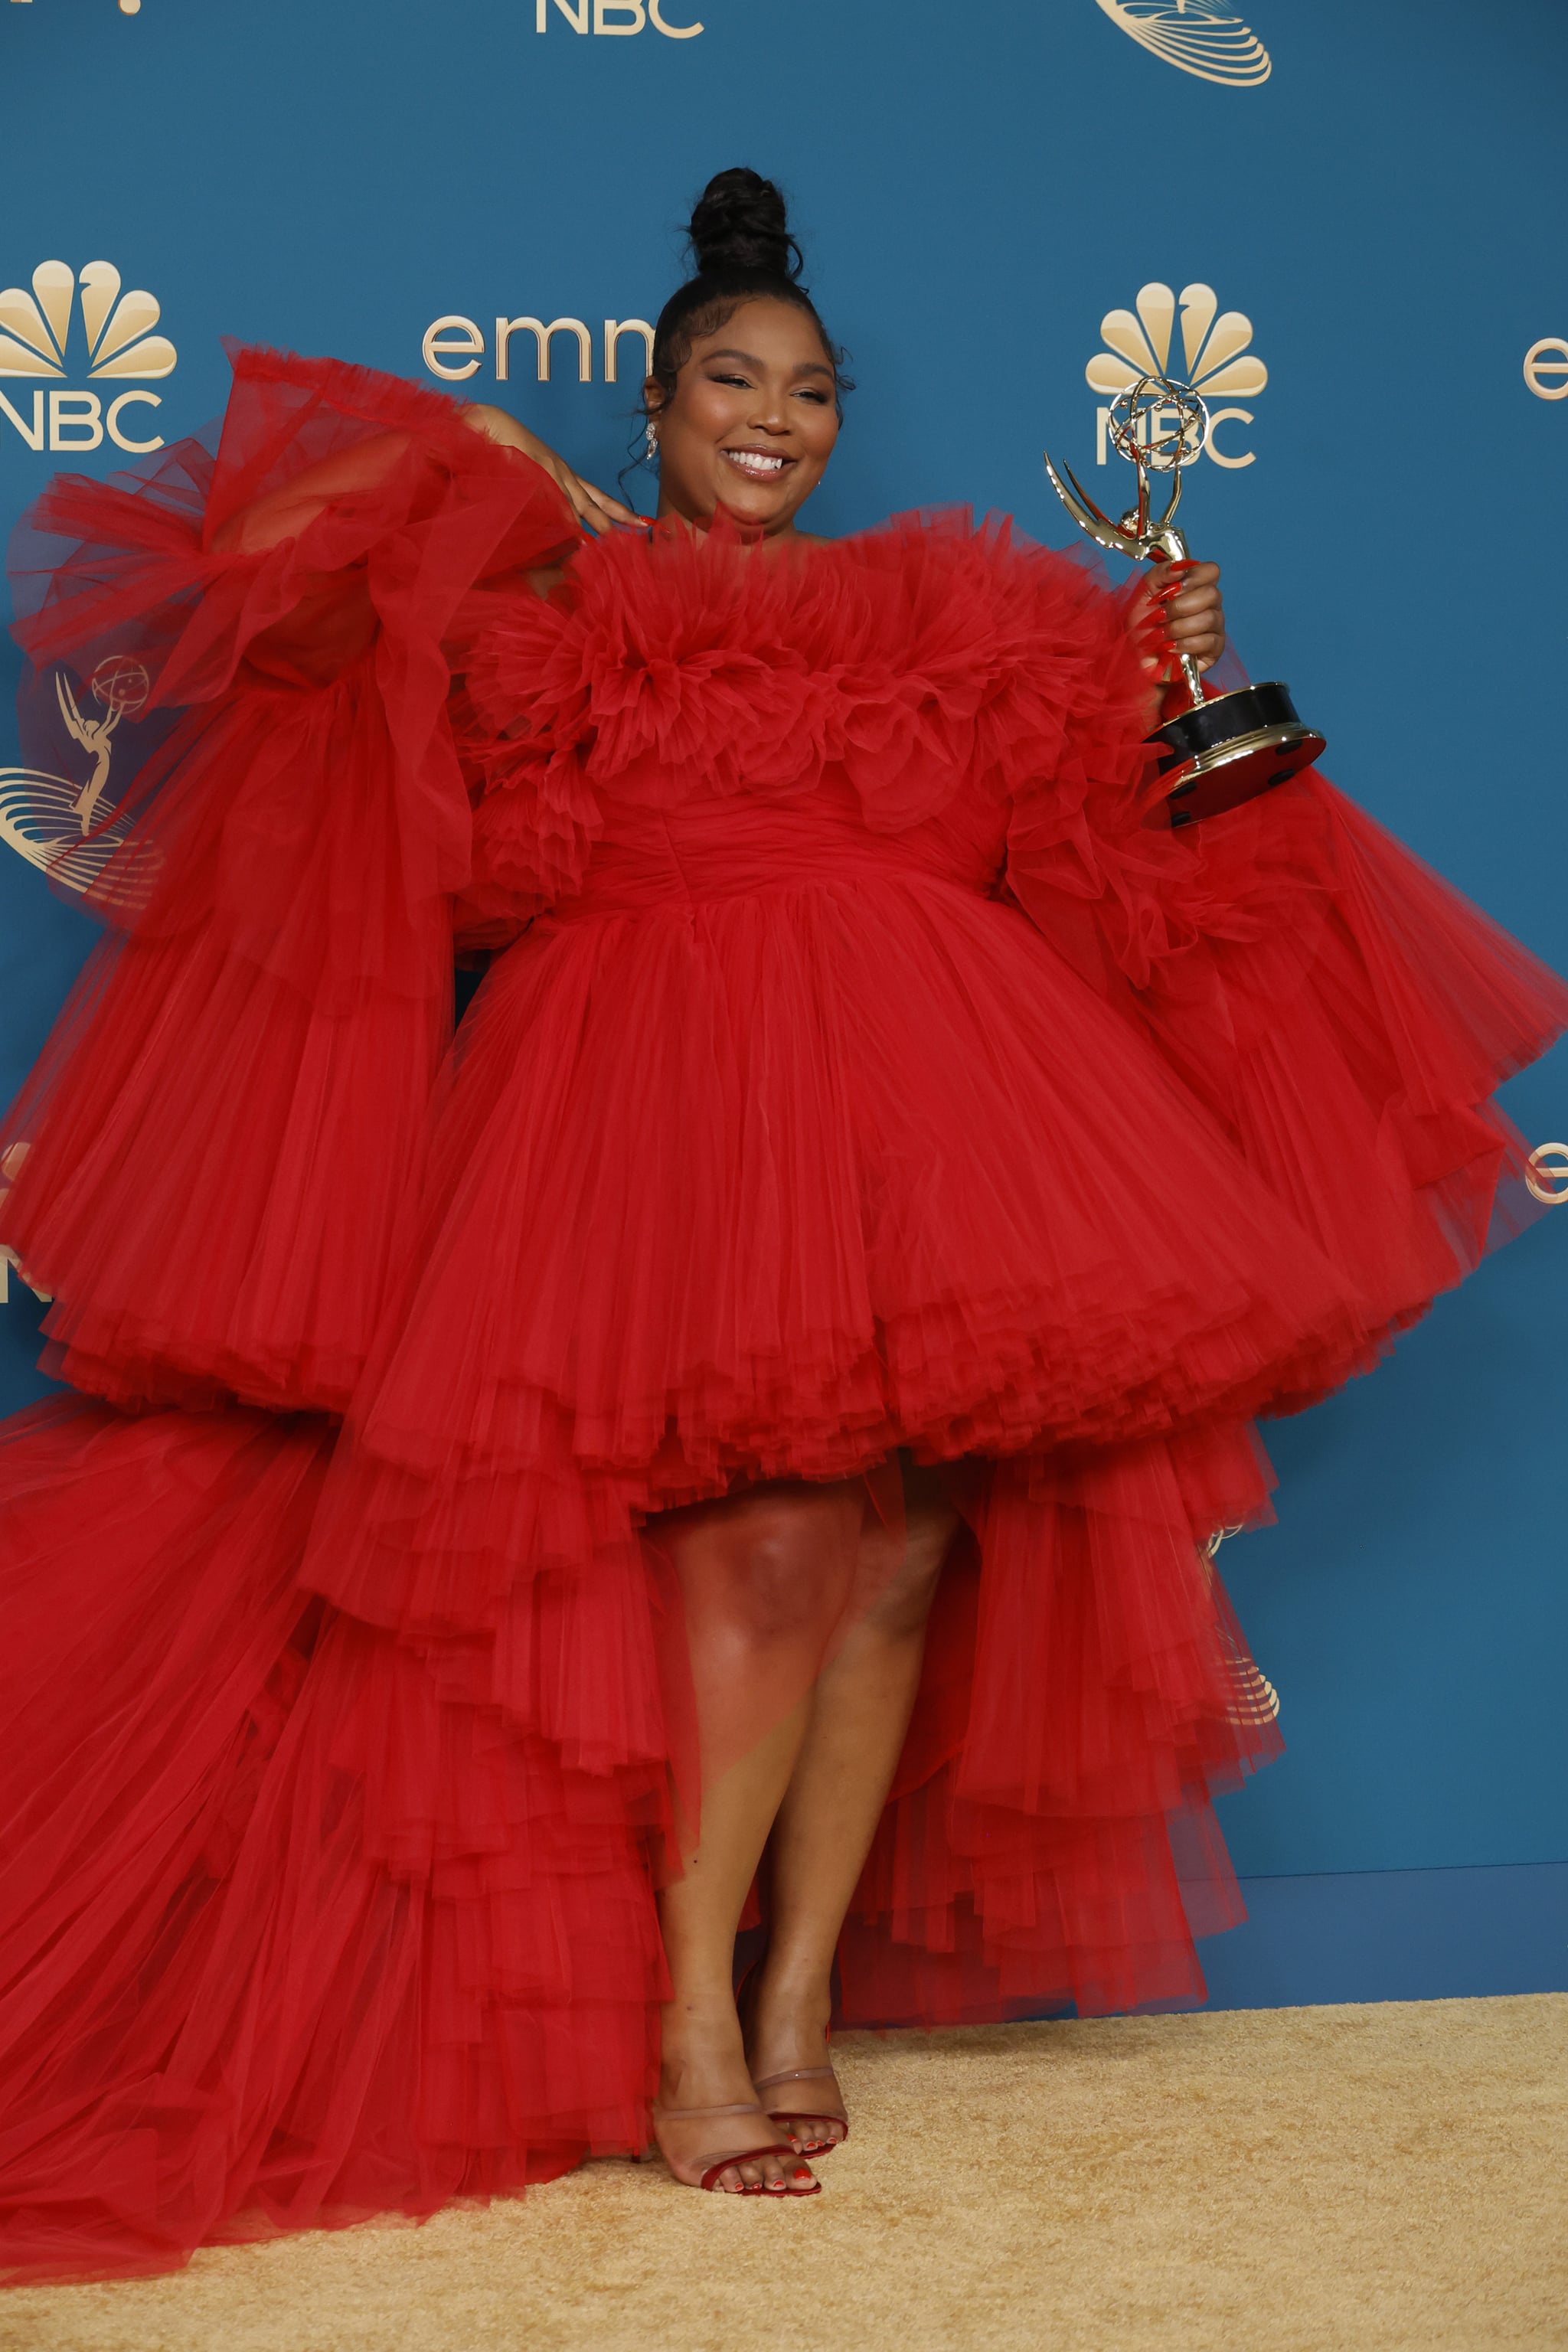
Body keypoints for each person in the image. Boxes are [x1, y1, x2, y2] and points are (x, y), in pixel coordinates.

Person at [0, 165, 1563, 2268]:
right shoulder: (554, 605)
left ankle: (798, 1989)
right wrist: (499, 471)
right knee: (762, 1540)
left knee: (909, 1542)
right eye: (728, 378)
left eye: (809, 390)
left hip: (934, 1123)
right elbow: (278, 563)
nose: (774, 413)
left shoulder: (964, 618)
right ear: (650, 406)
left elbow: (1117, 862)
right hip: (650, 1127)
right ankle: (678, 2022)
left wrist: (1169, 664)